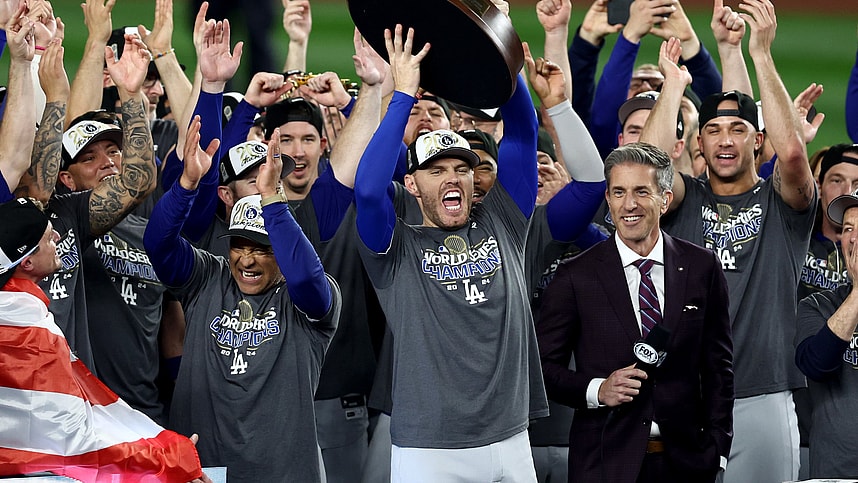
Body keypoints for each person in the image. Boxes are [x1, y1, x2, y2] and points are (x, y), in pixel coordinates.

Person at [355, 25, 547, 481]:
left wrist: (499, 47)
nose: (452, 178)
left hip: (511, 439)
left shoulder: (503, 220)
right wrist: (402, 95)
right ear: (412, 184)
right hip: (429, 450)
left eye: (462, 168)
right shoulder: (394, 249)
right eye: (435, 170)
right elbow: (366, 190)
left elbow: (522, 130)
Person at [643, 1, 817, 480]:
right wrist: (673, 90)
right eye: (714, 130)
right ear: (698, 145)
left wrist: (759, 54)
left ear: (756, 142)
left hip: (761, 393)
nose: (724, 140)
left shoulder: (781, 203)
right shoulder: (685, 197)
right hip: (687, 393)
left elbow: (795, 157)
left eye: (738, 130)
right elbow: (650, 170)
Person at [144, 117, 341, 482]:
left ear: (281, 250)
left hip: (283, 472)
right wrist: (187, 184)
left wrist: (271, 199)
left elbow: (303, 275)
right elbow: (158, 244)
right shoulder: (208, 276)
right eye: (239, 245)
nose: (246, 260)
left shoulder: (309, 298)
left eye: (262, 249)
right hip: (203, 470)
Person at [537, 142, 733, 482]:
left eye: (642, 191)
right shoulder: (575, 275)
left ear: (665, 199)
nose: (629, 204)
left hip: (688, 464)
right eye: (618, 192)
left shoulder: (702, 266)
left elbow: (719, 367)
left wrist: (718, 450)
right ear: (609, 201)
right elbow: (542, 367)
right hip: (603, 463)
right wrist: (598, 390)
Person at [0, 197, 207, 483]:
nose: (59, 236)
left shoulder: (18, 313)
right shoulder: (28, 329)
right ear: (28, 261)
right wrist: (166, 461)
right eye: (48, 236)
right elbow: (75, 440)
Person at [795, 186, 858, 478]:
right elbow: (816, 365)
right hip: (835, 470)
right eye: (847, 228)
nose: (854, 239)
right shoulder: (817, 306)